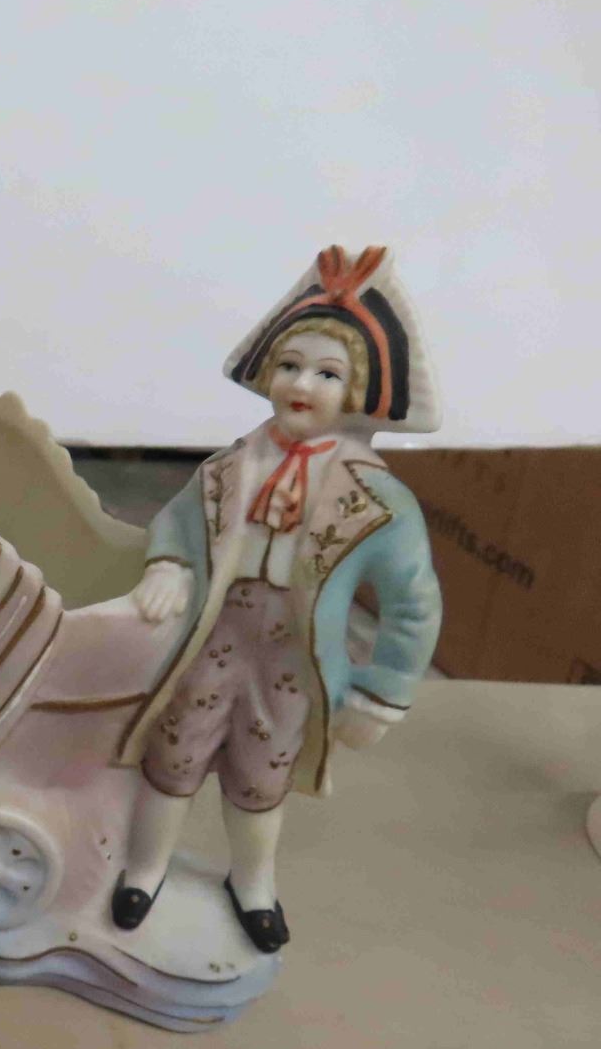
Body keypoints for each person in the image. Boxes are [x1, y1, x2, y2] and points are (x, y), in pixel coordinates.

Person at [110, 246, 442, 952]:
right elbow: (177, 519)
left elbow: (413, 605)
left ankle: (253, 883)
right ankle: (143, 869)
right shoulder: (229, 466)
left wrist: (382, 694)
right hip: (214, 634)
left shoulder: (378, 498)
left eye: (328, 373)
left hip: (291, 654)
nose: (302, 384)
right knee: (173, 753)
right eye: (290, 365)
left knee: (263, 773)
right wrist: (169, 562)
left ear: (358, 391)